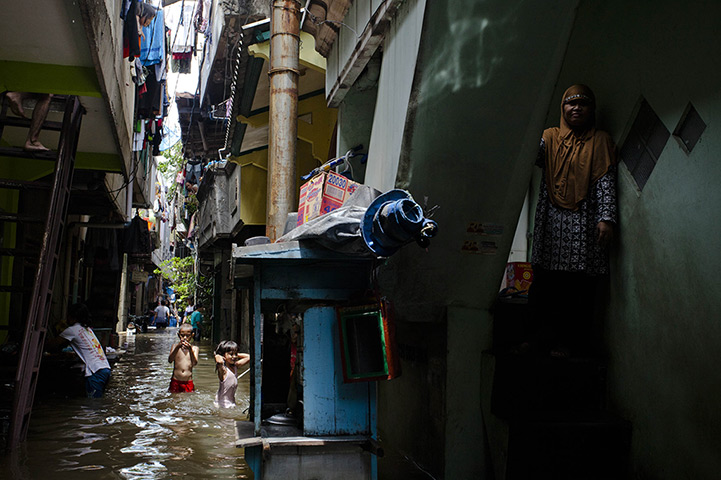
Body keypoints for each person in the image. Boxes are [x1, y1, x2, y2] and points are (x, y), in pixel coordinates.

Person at [528, 84, 618, 358]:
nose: (576, 108)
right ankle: (538, 342)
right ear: (562, 109)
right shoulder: (549, 137)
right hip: (551, 227)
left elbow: (606, 183)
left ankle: (570, 345)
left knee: (578, 290)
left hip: (584, 226)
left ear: (592, 110)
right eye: (570, 103)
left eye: (583, 104)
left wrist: (606, 219)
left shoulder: (600, 140)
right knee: (545, 286)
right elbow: (526, 155)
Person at [54, 303, 112, 397]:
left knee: (92, 406)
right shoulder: (87, 329)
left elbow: (53, 344)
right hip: (105, 368)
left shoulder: (72, 330)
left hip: (95, 372)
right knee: (97, 402)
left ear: (72, 317)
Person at [213, 340, 250, 408]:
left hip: (231, 404)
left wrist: (235, 354)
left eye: (235, 354)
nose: (234, 356)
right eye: (231, 354)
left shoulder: (235, 366)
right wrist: (218, 355)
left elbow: (249, 357)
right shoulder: (223, 370)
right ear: (224, 355)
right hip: (222, 405)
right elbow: (219, 361)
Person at [167, 323, 199, 392]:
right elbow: (170, 360)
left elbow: (194, 363)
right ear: (178, 335)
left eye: (187, 336)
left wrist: (190, 350)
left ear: (192, 335)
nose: (185, 338)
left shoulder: (194, 349)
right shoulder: (175, 346)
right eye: (182, 335)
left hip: (188, 381)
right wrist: (178, 347)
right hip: (175, 380)